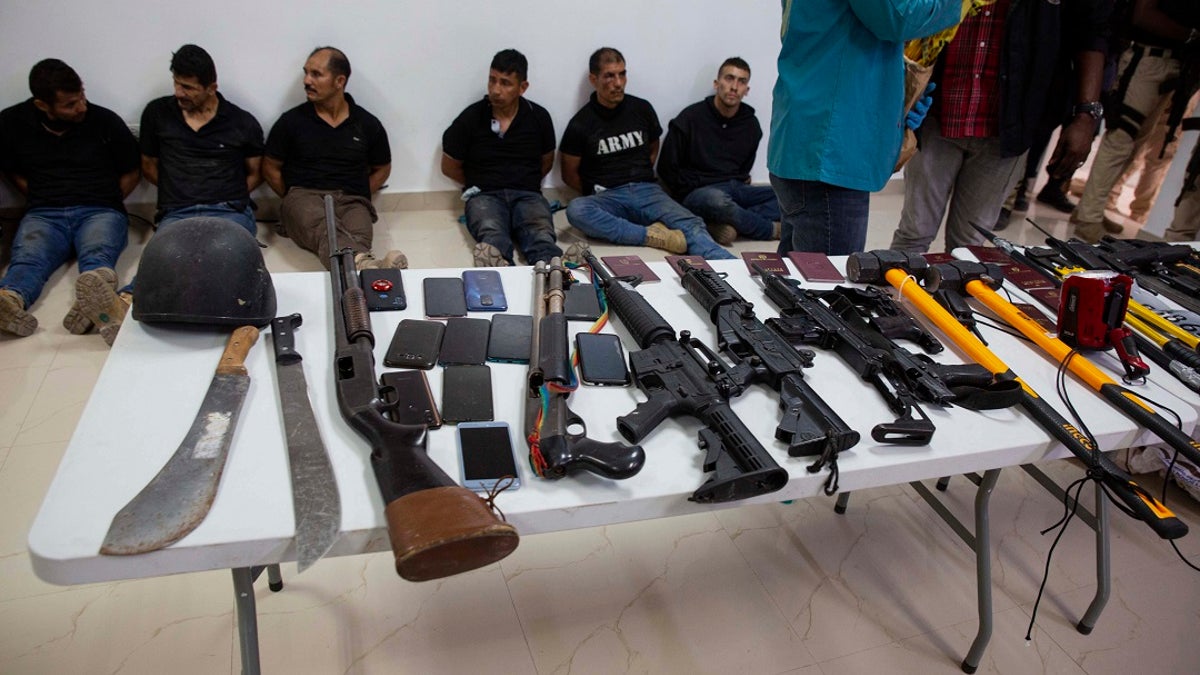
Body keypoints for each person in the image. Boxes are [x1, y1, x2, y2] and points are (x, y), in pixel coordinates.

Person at [889, 0, 1112, 254]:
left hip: (1009, 123)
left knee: (970, 243)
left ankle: (953, 292)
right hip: (937, 112)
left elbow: (1091, 32)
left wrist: (1086, 115)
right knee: (914, 232)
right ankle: (892, 294)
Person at [770, 0, 961, 255]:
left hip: (809, 136)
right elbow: (898, 17)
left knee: (794, 282)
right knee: (826, 286)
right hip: (831, 152)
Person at [0, 59, 139, 338]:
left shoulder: (104, 121)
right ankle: (10, 301)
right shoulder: (11, 123)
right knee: (29, 258)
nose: (81, 108)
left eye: (82, 97)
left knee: (97, 255)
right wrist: (38, 195)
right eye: (70, 105)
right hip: (44, 211)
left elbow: (133, 169)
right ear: (42, 105)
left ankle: (95, 304)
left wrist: (110, 201)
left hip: (99, 208)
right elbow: (10, 170)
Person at [560, 47, 734, 259]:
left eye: (622, 74)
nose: (618, 83)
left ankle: (729, 266)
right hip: (607, 195)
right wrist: (597, 189)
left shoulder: (641, 109)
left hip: (646, 190)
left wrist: (639, 176)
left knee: (691, 224)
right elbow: (569, 174)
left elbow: (653, 146)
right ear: (593, 79)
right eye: (609, 76)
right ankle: (654, 235)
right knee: (576, 210)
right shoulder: (581, 123)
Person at [263, 46, 405, 270]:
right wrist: (292, 198)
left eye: (316, 74)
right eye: (306, 73)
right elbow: (270, 167)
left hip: (351, 199)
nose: (306, 81)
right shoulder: (291, 122)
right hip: (305, 196)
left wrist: (361, 192)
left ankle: (364, 264)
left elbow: (382, 167)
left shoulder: (367, 124)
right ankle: (367, 265)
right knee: (322, 227)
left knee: (359, 234)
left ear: (339, 81)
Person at [1071, 0, 1200, 242]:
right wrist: (1190, 36)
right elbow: (1142, 14)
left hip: (1172, 63)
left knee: (1134, 144)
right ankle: (1089, 217)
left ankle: (1090, 210)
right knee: (1121, 138)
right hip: (1146, 58)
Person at [441, 49, 561, 266]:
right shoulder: (471, 118)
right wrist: (478, 182)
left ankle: (554, 278)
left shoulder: (538, 117)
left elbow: (546, 161)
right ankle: (501, 274)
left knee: (540, 236)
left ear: (522, 87)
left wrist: (524, 181)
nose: (496, 90)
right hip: (485, 195)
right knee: (492, 235)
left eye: (505, 83)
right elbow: (449, 166)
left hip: (527, 194)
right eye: (492, 80)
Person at [140, 44, 265, 236]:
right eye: (176, 83)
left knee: (228, 256)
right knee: (171, 259)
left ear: (211, 88)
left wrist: (229, 193)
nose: (179, 93)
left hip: (229, 211)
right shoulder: (157, 114)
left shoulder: (242, 122)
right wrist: (178, 189)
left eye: (188, 88)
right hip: (177, 212)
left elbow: (257, 172)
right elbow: (148, 165)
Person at [657, 57, 780, 246]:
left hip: (734, 189)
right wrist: (700, 183)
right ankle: (768, 229)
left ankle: (721, 223)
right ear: (717, 84)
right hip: (698, 193)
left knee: (785, 196)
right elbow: (667, 170)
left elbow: (743, 170)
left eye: (741, 81)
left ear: (746, 90)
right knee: (718, 201)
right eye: (729, 78)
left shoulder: (750, 125)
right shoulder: (690, 118)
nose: (734, 87)